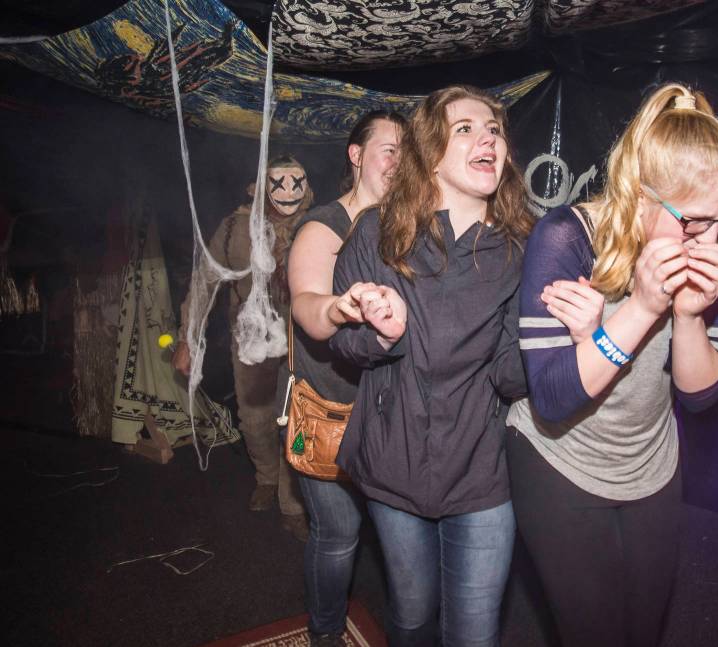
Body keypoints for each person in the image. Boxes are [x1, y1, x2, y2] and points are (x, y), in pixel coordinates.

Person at [506, 83, 718, 647]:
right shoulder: (567, 238)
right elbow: (551, 398)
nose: (710, 240)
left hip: (650, 462)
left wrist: (689, 317)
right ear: (641, 193)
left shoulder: (710, 238)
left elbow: (700, 397)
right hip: (559, 461)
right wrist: (641, 309)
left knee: (642, 634)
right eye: (693, 222)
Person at [328, 85, 532, 646]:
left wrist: (561, 340)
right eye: (464, 128)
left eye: (492, 127)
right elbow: (341, 346)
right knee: (413, 618)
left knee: (474, 634)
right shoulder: (376, 234)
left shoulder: (521, 251)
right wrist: (380, 334)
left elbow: (512, 376)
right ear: (429, 151)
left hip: (482, 475)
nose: (487, 135)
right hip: (394, 463)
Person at [284, 110, 405, 646]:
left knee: (401, 535)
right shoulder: (323, 225)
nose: (399, 162)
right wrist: (339, 306)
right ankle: (326, 634)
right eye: (388, 149)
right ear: (356, 156)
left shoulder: (410, 228)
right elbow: (306, 308)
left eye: (408, 152)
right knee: (338, 534)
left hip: (391, 412)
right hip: (331, 411)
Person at [174, 155, 312, 539]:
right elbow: (204, 281)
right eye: (277, 182)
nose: (287, 191)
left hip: (303, 343)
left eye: (296, 182)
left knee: (295, 420)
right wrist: (189, 338)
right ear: (259, 187)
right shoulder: (236, 227)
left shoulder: (317, 225)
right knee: (254, 418)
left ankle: (293, 502)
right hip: (250, 339)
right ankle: (266, 477)